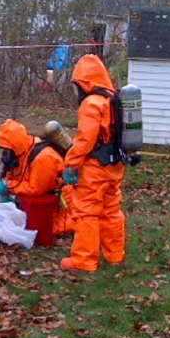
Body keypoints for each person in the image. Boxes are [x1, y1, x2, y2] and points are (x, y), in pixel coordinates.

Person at [60, 54, 125, 272]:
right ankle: (115, 254)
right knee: (112, 211)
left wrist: (72, 164)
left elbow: (85, 139)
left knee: (87, 212)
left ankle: (84, 261)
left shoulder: (92, 103)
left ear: (84, 82)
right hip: (115, 164)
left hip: (95, 166)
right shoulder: (113, 99)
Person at [0, 118, 73, 236]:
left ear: (14, 145)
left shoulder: (43, 158)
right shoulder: (22, 151)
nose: (6, 152)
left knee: (38, 230)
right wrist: (6, 187)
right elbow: (15, 173)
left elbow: (36, 188)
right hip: (37, 203)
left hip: (56, 209)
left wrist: (8, 187)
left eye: (7, 148)